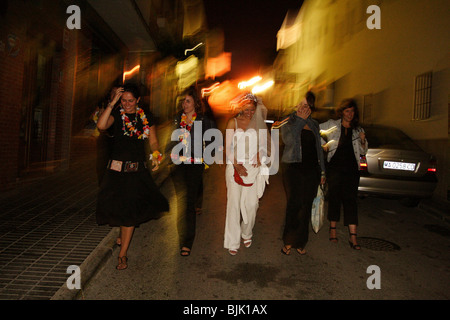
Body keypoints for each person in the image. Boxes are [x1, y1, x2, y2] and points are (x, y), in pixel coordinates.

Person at [96, 84, 169, 270]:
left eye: (130, 101)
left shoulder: (146, 117)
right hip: (115, 173)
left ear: (137, 100)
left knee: (128, 214)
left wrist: (156, 155)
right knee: (119, 210)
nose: (126, 104)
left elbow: (153, 142)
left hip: (136, 172)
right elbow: (101, 125)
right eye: (123, 100)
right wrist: (112, 103)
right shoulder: (117, 116)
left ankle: (122, 254)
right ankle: (123, 234)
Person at [275, 91, 326, 255]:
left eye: (307, 106)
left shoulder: (315, 124)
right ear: (296, 105)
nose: (304, 108)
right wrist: (300, 121)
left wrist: (323, 172)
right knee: (294, 204)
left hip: (311, 170)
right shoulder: (287, 122)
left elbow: (319, 149)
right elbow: (288, 141)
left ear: (311, 108)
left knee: (306, 206)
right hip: (292, 169)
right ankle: (288, 240)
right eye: (301, 104)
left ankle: (301, 241)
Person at [169, 86, 215, 256]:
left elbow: (213, 143)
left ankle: (186, 242)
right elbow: (171, 141)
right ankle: (183, 236)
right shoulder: (176, 120)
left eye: (187, 101)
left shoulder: (204, 121)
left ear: (195, 103)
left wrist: (205, 161)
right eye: (183, 101)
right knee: (182, 202)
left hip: (195, 165)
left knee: (188, 202)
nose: (184, 104)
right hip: (178, 166)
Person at [224, 93, 270, 256]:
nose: (250, 113)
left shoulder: (259, 124)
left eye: (253, 110)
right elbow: (227, 148)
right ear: (241, 107)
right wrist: (237, 166)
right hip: (234, 166)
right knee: (234, 204)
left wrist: (260, 154)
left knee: (251, 205)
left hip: (252, 168)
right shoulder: (233, 122)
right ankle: (233, 240)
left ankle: (246, 232)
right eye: (248, 109)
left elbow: (266, 146)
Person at [319, 99, 368, 250]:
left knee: (350, 200)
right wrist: (323, 144)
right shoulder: (332, 124)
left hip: (352, 170)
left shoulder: (358, 129)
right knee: (334, 198)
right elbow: (317, 130)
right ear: (342, 112)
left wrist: (362, 141)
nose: (350, 114)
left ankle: (353, 236)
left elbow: (363, 152)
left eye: (352, 111)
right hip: (335, 168)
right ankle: (332, 229)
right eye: (347, 111)